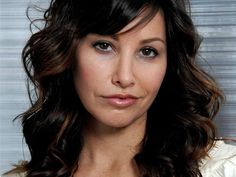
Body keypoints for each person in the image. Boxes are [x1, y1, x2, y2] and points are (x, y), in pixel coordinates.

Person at [2, 0, 236, 177]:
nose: (124, 77)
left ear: (169, 64)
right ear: (68, 53)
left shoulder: (224, 169)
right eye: (104, 46)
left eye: (148, 52)